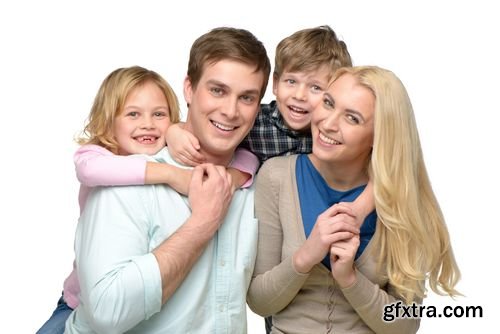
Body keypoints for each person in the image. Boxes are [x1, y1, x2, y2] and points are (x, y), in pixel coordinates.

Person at [64, 27, 271, 333]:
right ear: (189, 89)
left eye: (247, 98)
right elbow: (106, 313)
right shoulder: (128, 179)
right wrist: (203, 223)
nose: (230, 111)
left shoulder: (254, 182)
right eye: (217, 90)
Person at [247, 66, 461, 333]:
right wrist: (304, 257)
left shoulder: (401, 200)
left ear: (378, 136)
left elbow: (406, 324)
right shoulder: (276, 177)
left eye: (352, 118)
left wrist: (350, 279)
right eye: (328, 103)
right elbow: (259, 302)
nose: (328, 123)